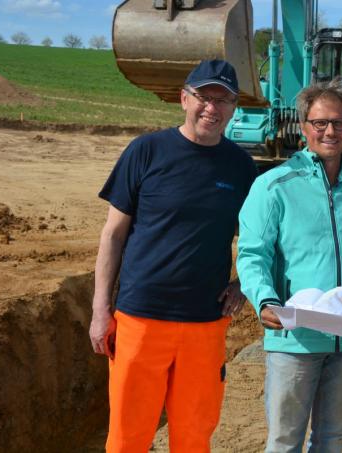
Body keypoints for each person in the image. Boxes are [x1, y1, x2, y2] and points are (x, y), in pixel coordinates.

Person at [88, 59, 257, 453]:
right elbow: (113, 235)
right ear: (184, 99)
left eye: (223, 100)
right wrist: (100, 310)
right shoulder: (146, 151)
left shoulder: (241, 167)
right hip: (140, 319)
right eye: (203, 97)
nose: (212, 108)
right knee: (128, 437)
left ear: (234, 108)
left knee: (193, 436)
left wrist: (243, 284)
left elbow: (259, 239)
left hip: (205, 324)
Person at [236, 80, 342, 453]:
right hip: (296, 337)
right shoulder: (274, 186)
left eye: (338, 122)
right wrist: (265, 300)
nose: (329, 131)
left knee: (331, 438)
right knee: (284, 441)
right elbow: (253, 254)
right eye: (320, 123)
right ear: (304, 126)